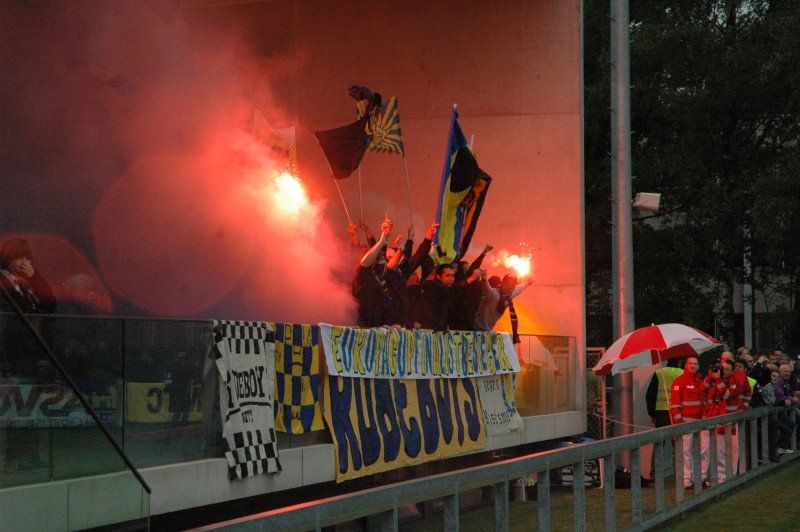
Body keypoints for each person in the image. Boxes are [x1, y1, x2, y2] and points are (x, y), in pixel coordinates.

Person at [670, 356, 709, 488]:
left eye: (695, 364)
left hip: (701, 422)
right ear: (685, 365)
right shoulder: (679, 381)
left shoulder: (699, 381)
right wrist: (678, 422)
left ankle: (699, 478)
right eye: (690, 363)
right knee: (685, 452)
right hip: (686, 423)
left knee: (703, 450)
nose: (693, 366)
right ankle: (686, 480)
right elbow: (675, 404)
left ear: (698, 366)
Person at [412, 264, 454, 330]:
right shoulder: (432, 289)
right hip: (427, 330)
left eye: (453, 276)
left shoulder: (446, 291)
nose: (451, 279)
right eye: (447, 275)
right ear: (438, 276)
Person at [774, 364, 797, 455]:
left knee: (791, 423)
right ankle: (781, 447)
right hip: (775, 411)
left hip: (782, 410)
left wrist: (791, 399)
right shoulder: (779, 382)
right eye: (785, 371)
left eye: (789, 372)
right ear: (780, 372)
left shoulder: (786, 383)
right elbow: (780, 396)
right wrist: (791, 399)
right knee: (790, 424)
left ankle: (784, 446)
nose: (787, 373)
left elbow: (789, 395)